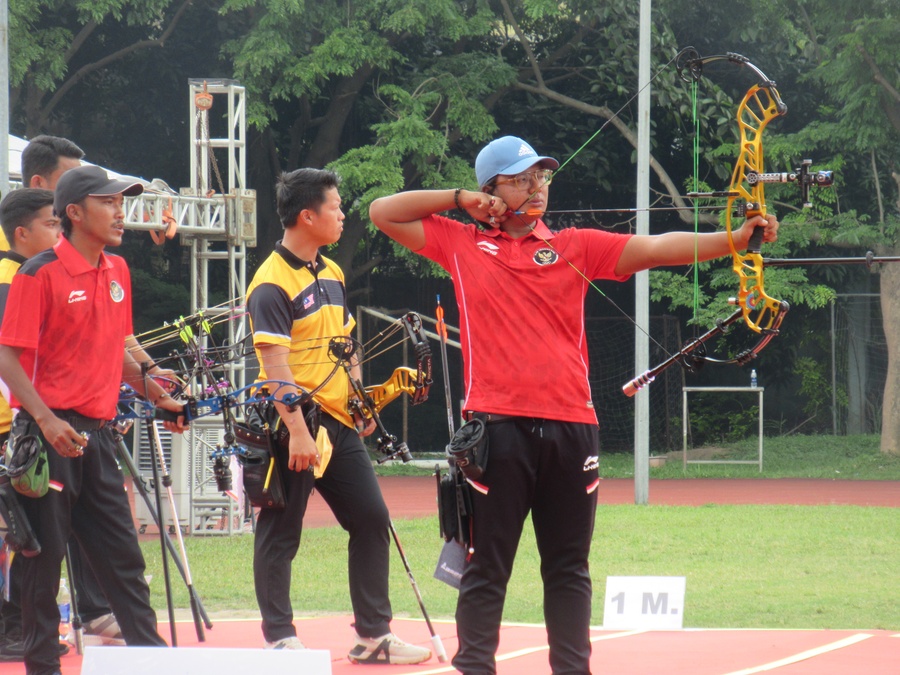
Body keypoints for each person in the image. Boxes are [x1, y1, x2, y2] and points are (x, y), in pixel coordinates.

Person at [369, 135, 780, 675]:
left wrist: (735, 240)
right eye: (520, 179)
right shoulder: (461, 242)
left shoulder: (575, 245)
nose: (536, 187)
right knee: (486, 567)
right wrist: (459, 199)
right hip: (497, 429)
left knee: (568, 568)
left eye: (541, 176)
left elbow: (657, 247)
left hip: (572, 428)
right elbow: (382, 212)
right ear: (490, 190)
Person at [0, 165, 188, 675]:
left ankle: (153, 664)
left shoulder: (118, 270)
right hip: (47, 441)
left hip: (98, 439)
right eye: (108, 203)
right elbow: (8, 358)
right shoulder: (37, 273)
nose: (120, 212)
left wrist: (160, 397)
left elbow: (117, 350)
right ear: (75, 213)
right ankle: (43, 668)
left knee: (125, 562)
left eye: (121, 203)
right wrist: (45, 420)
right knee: (42, 564)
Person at [245, 168, 431, 665]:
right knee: (281, 530)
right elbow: (274, 366)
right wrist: (297, 432)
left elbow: (345, 345)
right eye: (336, 206)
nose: (344, 214)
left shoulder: (331, 271)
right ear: (308, 216)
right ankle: (279, 637)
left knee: (371, 518)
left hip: (338, 421)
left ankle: (373, 636)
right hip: (293, 424)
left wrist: (359, 402)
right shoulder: (270, 283)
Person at [0, 135, 125, 662]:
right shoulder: (24, 274)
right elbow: (12, 354)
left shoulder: (107, 269)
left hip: (77, 426)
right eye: (53, 219)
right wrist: (44, 417)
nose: (58, 226)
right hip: (31, 427)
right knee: (34, 545)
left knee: (81, 540)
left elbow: (112, 340)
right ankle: (24, 637)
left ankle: (100, 618)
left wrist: (147, 380)